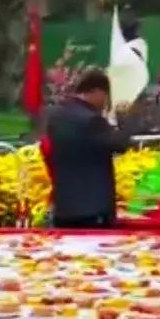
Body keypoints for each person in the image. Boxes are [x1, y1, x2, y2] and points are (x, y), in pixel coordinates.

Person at [45, 68, 130, 229]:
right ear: (98, 91)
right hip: (92, 210)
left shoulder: (56, 116)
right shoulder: (92, 120)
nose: (105, 103)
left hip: (64, 207)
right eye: (106, 97)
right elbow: (120, 144)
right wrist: (124, 120)